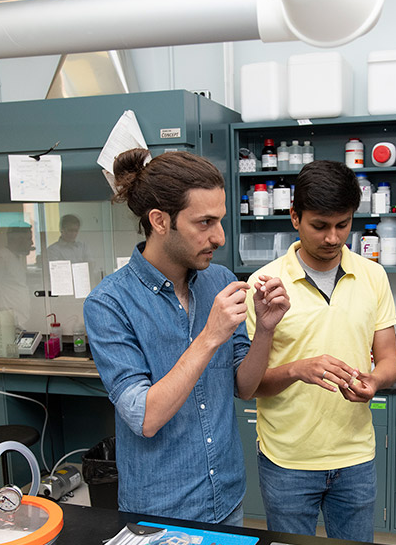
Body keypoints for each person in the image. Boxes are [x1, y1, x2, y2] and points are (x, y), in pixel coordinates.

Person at [84, 149, 289, 525]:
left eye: (220, 220)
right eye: (205, 222)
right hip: (159, 510)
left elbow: (244, 386)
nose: (220, 237)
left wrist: (265, 329)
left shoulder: (221, 282)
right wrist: (210, 336)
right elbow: (145, 417)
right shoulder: (109, 303)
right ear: (160, 221)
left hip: (226, 498)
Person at [245, 160, 396, 542]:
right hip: (288, 460)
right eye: (320, 225)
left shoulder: (372, 276)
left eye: (343, 225)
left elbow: (390, 360)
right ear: (295, 217)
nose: (333, 238)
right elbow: (250, 386)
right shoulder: (264, 285)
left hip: (355, 458)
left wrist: (374, 381)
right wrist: (298, 369)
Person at [0, 226, 35, 324]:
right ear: (18, 240)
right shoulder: (1, 257)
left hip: (21, 317)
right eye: (29, 239)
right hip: (9, 319)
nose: (31, 243)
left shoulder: (17, 257)